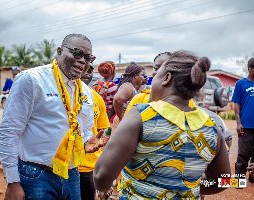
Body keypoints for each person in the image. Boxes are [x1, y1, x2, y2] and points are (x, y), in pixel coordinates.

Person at [94, 50, 231, 199]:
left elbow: (102, 177)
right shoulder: (211, 128)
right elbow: (223, 181)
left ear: (166, 78)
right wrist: (188, 187)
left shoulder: (142, 115)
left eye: (155, 76)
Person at [0, 33, 103, 200]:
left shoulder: (86, 92)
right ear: (59, 51)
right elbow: (8, 132)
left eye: (88, 57)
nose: (83, 60)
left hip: (72, 174)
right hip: (36, 175)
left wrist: (85, 141)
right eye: (77, 53)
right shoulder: (31, 80)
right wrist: (12, 181)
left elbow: (84, 128)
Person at [80, 63, 111, 200]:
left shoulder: (96, 98)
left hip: (89, 165)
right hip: (62, 164)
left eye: (90, 70)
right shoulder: (59, 96)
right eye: (84, 68)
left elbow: (103, 131)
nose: (87, 73)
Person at [232, 57, 254, 183]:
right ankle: (239, 180)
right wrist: (238, 123)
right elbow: (236, 104)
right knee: (243, 155)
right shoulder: (241, 84)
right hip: (246, 126)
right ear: (251, 69)